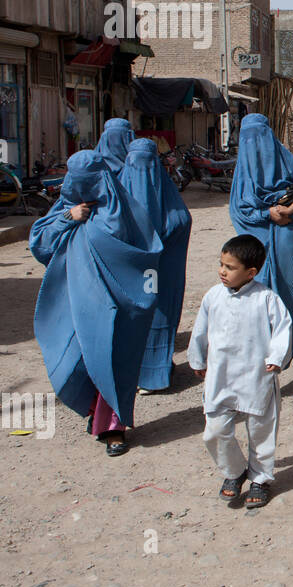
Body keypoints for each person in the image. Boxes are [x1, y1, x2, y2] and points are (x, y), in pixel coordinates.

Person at [29, 151, 163, 456]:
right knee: (77, 360)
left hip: (120, 306)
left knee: (112, 360)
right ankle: (94, 411)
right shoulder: (66, 209)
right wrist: (68, 218)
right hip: (75, 304)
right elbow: (40, 244)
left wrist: (144, 298)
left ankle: (113, 426)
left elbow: (149, 253)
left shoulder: (125, 211)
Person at [229, 114, 293, 386]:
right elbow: (241, 213)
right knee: (266, 307)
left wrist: (281, 215)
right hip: (262, 252)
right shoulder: (277, 168)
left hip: (292, 245)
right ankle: (273, 361)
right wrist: (270, 213)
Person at [189, 234, 293, 509]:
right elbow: (200, 330)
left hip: (257, 376)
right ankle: (234, 471)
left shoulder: (267, 299)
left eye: (230, 267)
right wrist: (197, 359)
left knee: (261, 431)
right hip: (220, 376)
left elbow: (283, 330)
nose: (222, 271)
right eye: (221, 264)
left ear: (251, 272)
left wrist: (277, 358)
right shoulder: (213, 296)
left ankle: (260, 479)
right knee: (214, 431)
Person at [120, 139, 193, 395]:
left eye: (147, 164)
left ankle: (157, 371)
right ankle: (147, 371)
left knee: (160, 318)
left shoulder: (128, 192)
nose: (142, 171)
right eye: (136, 164)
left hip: (162, 274)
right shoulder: (121, 195)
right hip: (143, 274)